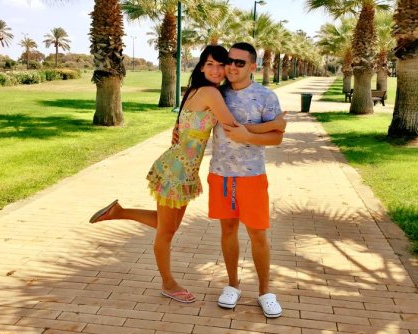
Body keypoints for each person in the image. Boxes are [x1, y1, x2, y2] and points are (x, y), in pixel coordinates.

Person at [89, 45, 286, 304]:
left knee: (167, 224)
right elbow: (233, 128)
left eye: (222, 64)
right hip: (177, 170)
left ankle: (119, 212)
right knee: (166, 232)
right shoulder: (211, 93)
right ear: (201, 67)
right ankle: (168, 283)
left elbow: (188, 124)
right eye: (211, 64)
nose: (219, 69)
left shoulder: (200, 90)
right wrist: (275, 124)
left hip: (182, 168)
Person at [208, 42, 284, 318]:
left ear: (253, 66)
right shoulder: (217, 93)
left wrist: (249, 136)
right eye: (229, 61)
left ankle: (265, 292)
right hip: (221, 174)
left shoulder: (265, 96)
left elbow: (277, 137)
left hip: (252, 176)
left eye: (239, 63)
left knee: (258, 234)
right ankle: (233, 285)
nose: (232, 67)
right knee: (228, 231)